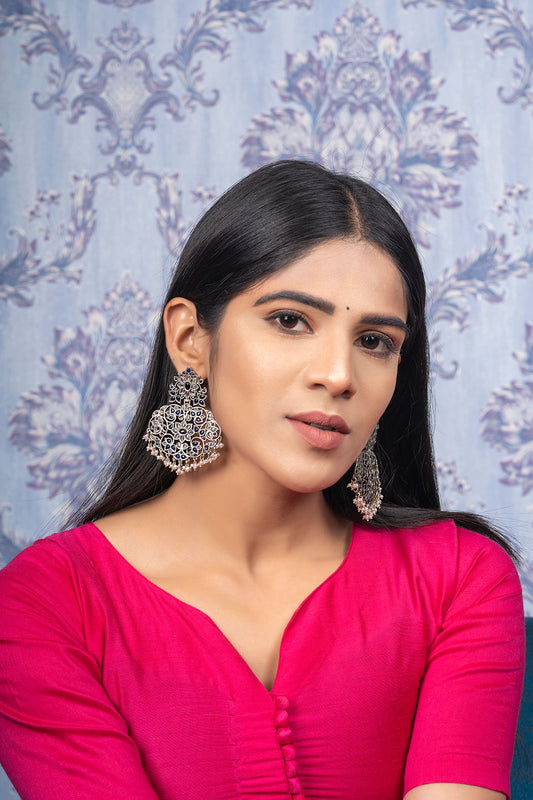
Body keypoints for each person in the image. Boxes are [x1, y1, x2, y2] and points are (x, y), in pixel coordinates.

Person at [0, 160, 525, 800]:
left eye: (375, 341)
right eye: (290, 320)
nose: (339, 375)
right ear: (190, 339)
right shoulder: (47, 602)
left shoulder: (460, 579)